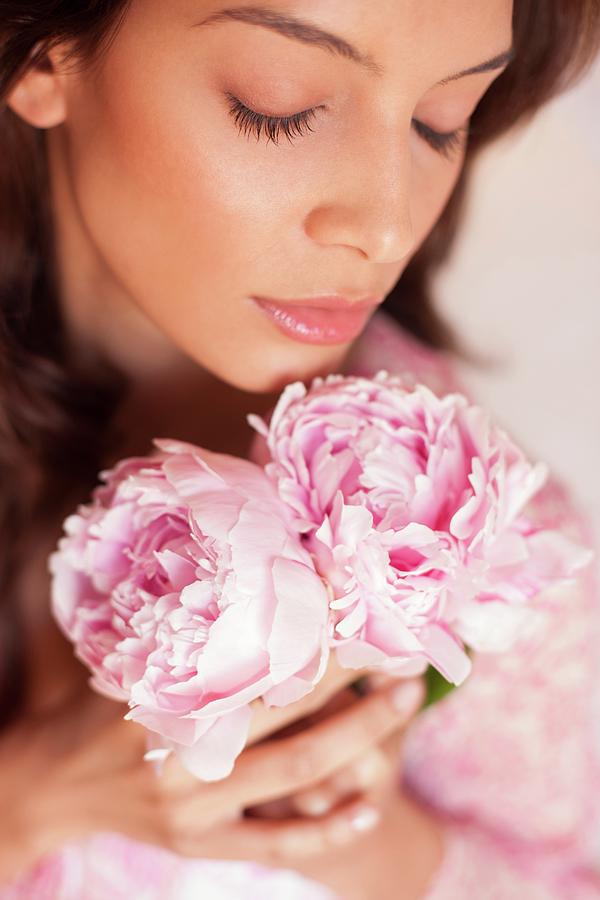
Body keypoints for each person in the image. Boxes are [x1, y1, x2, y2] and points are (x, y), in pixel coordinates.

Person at [0, 1, 599, 897]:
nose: (387, 226)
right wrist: (29, 802)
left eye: (442, 122)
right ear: (42, 55)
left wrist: (367, 844)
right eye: (277, 107)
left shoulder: (482, 556)